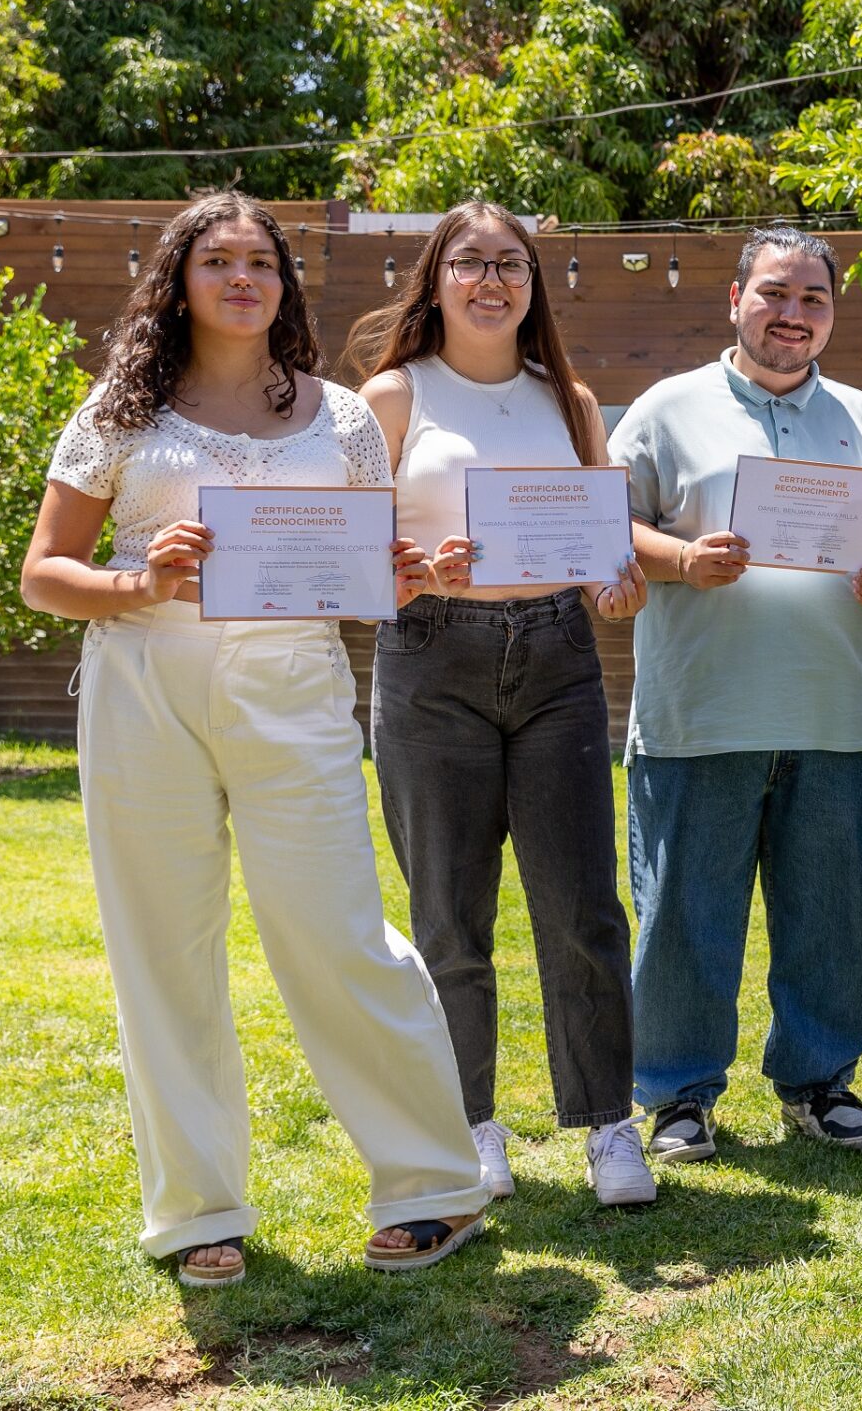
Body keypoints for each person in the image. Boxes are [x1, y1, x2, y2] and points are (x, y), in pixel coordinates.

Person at [20, 191, 488, 1288]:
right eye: (217, 260)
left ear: (285, 285)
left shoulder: (343, 419)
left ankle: (433, 1183)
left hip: (296, 687)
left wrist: (411, 577)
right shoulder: (119, 410)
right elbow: (44, 573)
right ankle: (199, 1212)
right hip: (144, 686)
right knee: (163, 950)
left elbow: (367, 577)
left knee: (339, 932)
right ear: (178, 282)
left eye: (261, 262)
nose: (242, 278)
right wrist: (139, 581)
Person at [348, 200, 654, 1208]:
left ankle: (608, 1124)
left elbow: (608, 550)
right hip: (431, 662)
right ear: (435, 280)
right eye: (471, 263)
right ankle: (470, 1125)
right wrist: (410, 572)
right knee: (449, 915)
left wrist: (616, 589)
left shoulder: (570, 399)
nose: (491, 281)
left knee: (583, 907)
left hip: (559, 657)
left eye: (511, 264)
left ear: (533, 283)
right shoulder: (391, 397)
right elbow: (349, 556)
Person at [609, 225, 862, 1162]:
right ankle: (678, 1093)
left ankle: (819, 1081)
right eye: (775, 292)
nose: (793, 313)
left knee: (829, 914)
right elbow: (606, 521)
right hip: (701, 711)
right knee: (684, 917)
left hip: (836, 710)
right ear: (735, 299)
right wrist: (681, 557)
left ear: (832, 314)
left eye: (814, 298)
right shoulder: (666, 408)